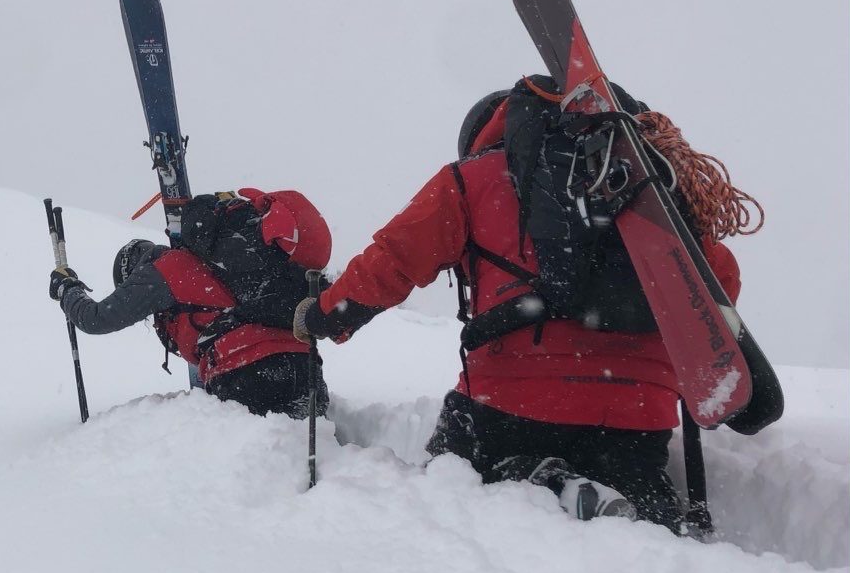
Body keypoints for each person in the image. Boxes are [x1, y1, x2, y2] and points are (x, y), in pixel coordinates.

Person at [293, 76, 762, 532]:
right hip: (639, 411)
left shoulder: (472, 180)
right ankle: (646, 506)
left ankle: (538, 478)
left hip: (512, 398)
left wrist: (325, 314)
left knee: (447, 484)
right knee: (636, 489)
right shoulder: (653, 190)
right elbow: (718, 284)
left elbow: (393, 259)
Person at [50, 188, 332, 419]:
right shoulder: (220, 257)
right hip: (306, 369)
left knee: (260, 474)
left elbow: (97, 318)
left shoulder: (163, 271)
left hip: (248, 375)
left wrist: (67, 290)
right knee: (297, 463)